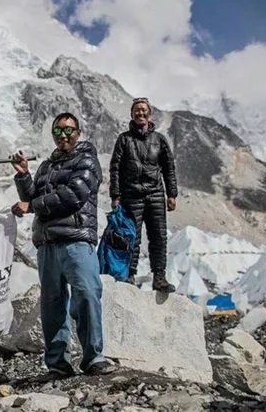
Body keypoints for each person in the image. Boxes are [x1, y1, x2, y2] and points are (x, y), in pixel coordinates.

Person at [11, 112, 116, 377]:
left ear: (78, 132)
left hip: (76, 239)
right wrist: (24, 176)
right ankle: (58, 364)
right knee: (52, 304)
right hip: (47, 243)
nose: (63, 135)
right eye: (58, 131)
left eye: (68, 130)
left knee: (87, 294)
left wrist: (31, 205)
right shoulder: (46, 166)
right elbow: (33, 197)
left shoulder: (87, 161)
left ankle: (94, 357)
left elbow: (73, 195)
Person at [109, 97, 178, 293]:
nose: (140, 113)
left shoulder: (159, 140)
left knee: (159, 236)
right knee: (132, 237)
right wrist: (115, 195)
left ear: (150, 114)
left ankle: (159, 277)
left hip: (156, 194)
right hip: (131, 195)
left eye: (144, 110)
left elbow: (169, 168)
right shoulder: (124, 139)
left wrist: (171, 194)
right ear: (132, 114)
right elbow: (115, 168)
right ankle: (129, 275)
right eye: (137, 110)